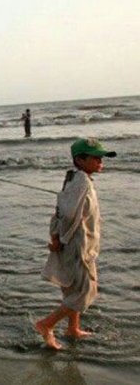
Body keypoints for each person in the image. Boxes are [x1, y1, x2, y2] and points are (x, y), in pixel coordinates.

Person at [36, 138, 116, 350]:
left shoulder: (76, 178)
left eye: (102, 157)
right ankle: (46, 324)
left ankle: (73, 328)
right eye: (95, 158)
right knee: (85, 291)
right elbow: (68, 213)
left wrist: (56, 236)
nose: (100, 161)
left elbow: (60, 210)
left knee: (72, 289)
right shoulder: (82, 181)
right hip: (79, 246)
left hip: (74, 243)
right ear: (79, 160)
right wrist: (58, 238)